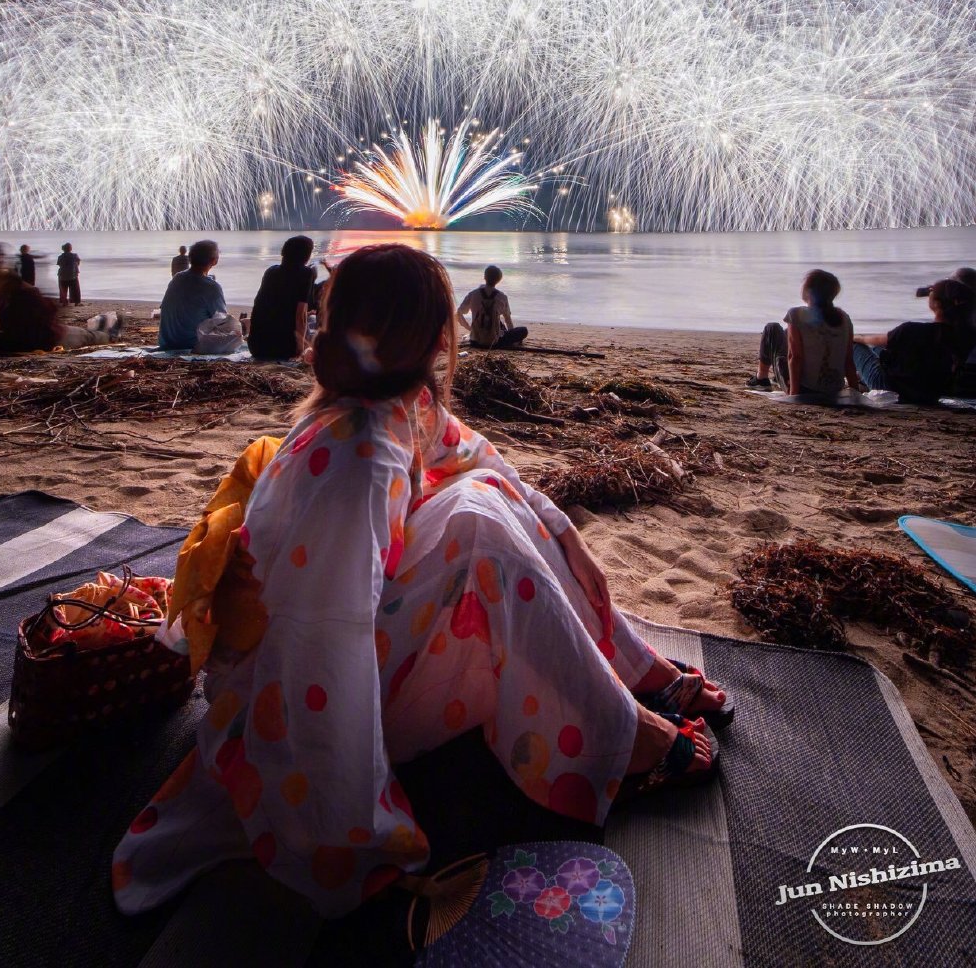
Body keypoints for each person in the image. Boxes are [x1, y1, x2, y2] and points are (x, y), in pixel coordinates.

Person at [114, 245, 726, 922]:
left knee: (492, 491)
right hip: (285, 701)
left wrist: (617, 647)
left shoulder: (400, 407)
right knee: (484, 526)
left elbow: (502, 477)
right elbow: (322, 642)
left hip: (344, 642)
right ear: (439, 336)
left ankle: (629, 671)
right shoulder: (356, 456)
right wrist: (356, 829)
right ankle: (622, 739)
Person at [853, 279, 976, 404]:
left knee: (856, 345)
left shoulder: (912, 330)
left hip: (889, 389)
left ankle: (851, 385)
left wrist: (855, 338)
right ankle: (861, 379)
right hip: (930, 395)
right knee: (877, 350)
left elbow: (873, 340)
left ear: (937, 304)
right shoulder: (966, 337)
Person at [749, 269, 860, 399]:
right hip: (833, 389)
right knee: (786, 333)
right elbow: (848, 361)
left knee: (772, 329)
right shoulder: (844, 318)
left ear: (809, 291)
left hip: (804, 388)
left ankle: (761, 378)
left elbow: (795, 357)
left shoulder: (796, 315)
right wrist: (855, 394)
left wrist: (794, 394)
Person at [159, 239, 248, 352]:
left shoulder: (177, 278)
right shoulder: (212, 287)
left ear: (190, 258)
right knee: (246, 324)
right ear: (214, 261)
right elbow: (222, 321)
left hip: (167, 342)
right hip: (192, 345)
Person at [247, 236, 317, 360]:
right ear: (307, 255)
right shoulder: (306, 273)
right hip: (283, 349)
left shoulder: (270, 271)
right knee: (313, 324)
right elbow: (300, 316)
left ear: (283, 252)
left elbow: (259, 305)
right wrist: (300, 347)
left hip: (256, 346)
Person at [456, 265, 528, 349]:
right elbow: (508, 321)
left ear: (484, 277)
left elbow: (458, 313)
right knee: (523, 330)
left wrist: (469, 328)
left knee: (498, 322)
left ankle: (474, 333)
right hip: (494, 342)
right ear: (499, 280)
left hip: (475, 341)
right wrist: (511, 336)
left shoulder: (473, 294)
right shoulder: (502, 297)